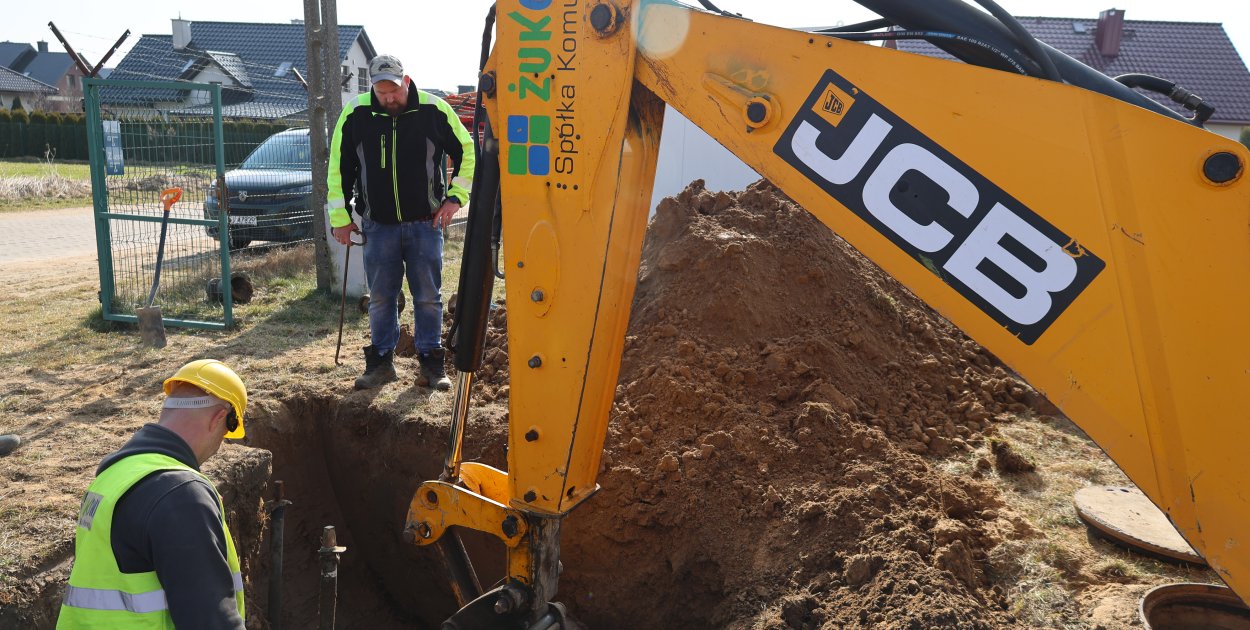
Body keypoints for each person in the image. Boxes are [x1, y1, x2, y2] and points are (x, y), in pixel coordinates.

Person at [57, 360, 248, 629]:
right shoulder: (182, 495)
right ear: (219, 418)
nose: (219, 445)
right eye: (226, 431)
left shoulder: (113, 477)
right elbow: (210, 619)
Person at [327, 53, 474, 391]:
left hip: (426, 225)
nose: (389, 97)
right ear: (373, 89)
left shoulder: (434, 111)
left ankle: (431, 366)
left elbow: (468, 152)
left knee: (427, 298)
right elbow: (339, 169)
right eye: (381, 91)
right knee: (380, 298)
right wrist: (341, 219)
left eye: (393, 89)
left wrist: (454, 200)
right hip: (378, 227)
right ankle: (380, 364)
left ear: (406, 81)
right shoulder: (356, 114)